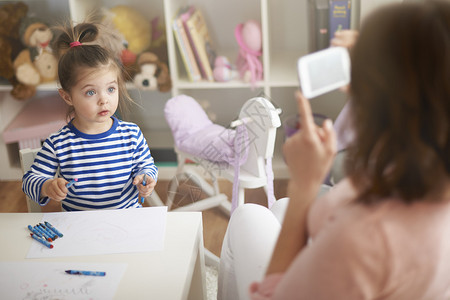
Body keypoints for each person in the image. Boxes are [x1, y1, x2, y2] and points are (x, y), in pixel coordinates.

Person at [218, 1, 450, 299]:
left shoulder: (364, 237)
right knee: (280, 207)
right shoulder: (424, 163)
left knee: (247, 216)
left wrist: (304, 185)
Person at [22, 21, 158, 211]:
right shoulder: (58, 143)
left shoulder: (131, 134)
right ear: (67, 97)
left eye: (111, 89)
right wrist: (46, 186)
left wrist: (146, 178)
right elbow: (29, 181)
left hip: (127, 222)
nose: (104, 100)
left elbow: (147, 166)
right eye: (90, 92)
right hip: (80, 229)